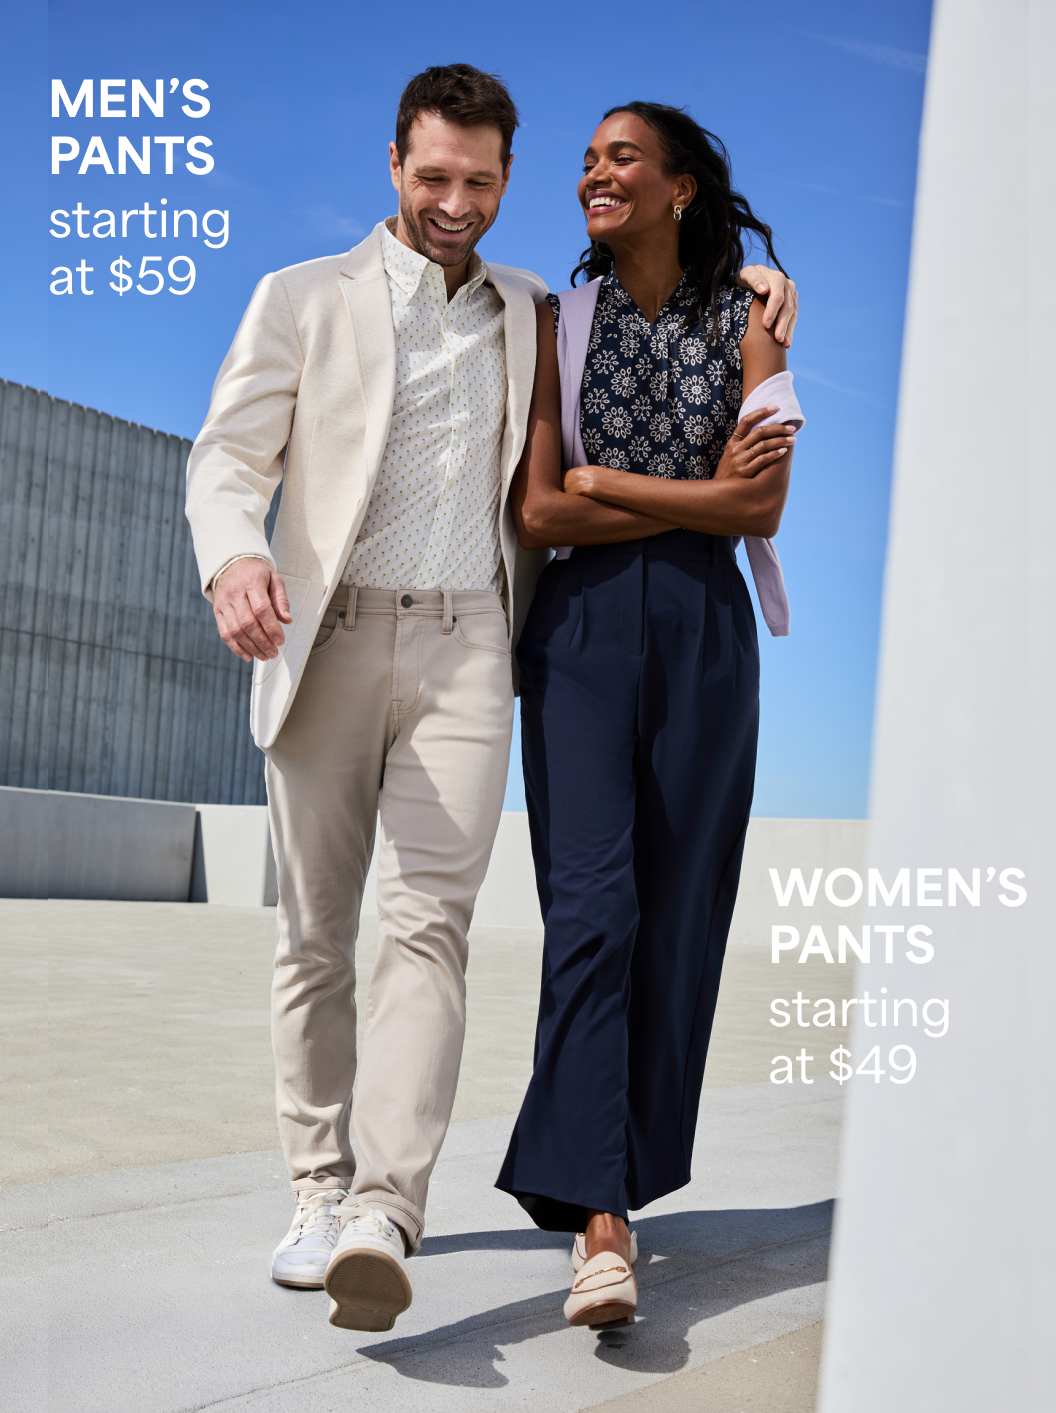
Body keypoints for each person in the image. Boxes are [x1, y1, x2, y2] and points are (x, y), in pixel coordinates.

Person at [185, 68, 798, 1334]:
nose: (456, 201)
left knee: (430, 932)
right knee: (315, 935)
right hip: (331, 633)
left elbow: (692, 459)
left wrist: (759, 289)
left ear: (504, 183)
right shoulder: (305, 298)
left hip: (472, 646)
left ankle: (384, 1211)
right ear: (395, 166)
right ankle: (317, 1184)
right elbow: (230, 457)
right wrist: (237, 553)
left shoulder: (532, 308)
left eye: (480, 181)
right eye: (434, 176)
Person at [495, 100, 804, 1330]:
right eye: (585, 162)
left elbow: (763, 511)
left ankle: (608, 1173)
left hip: (705, 641)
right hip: (576, 639)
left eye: (621, 158)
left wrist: (611, 479)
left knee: (677, 919)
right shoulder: (555, 323)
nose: (593, 175)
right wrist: (692, 496)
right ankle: (602, 1222)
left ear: (681, 186)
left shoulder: (754, 320)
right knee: (591, 913)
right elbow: (539, 516)